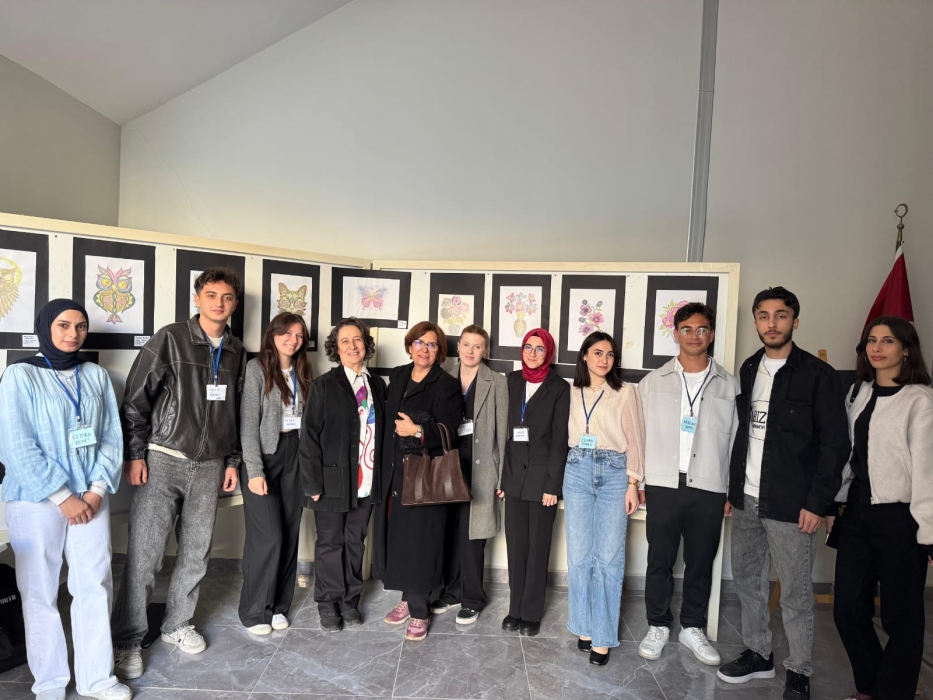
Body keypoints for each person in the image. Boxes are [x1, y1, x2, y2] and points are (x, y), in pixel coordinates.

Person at [111, 267, 246, 679]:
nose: (219, 303)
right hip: (163, 458)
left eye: (227, 297)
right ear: (197, 298)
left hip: (211, 465)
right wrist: (135, 454)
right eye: (212, 295)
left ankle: (176, 624)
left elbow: (238, 412)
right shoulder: (170, 338)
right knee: (145, 554)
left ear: (234, 303)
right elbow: (136, 400)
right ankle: (127, 640)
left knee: (195, 552)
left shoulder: (237, 351)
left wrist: (233, 461)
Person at [718, 286, 850, 700]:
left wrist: (818, 503)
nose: (771, 324)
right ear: (756, 321)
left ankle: (799, 670)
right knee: (749, 582)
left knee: (794, 592)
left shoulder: (818, 375)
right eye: (763, 316)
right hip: (747, 499)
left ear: (795, 320)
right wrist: (733, 489)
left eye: (780, 315)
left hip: (793, 504)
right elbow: (744, 435)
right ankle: (759, 653)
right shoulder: (749, 368)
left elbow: (835, 445)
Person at [0, 300, 131, 700]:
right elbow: (16, 445)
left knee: (95, 584)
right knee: (39, 591)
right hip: (36, 500)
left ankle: (97, 679)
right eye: (63, 325)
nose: (73, 334)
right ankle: (50, 682)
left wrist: (94, 491)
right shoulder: (20, 375)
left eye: (80, 326)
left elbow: (111, 437)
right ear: (45, 327)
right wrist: (63, 497)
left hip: (91, 495)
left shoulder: (95, 375)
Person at [828, 316, 933, 700]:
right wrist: (834, 500)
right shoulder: (859, 391)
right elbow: (850, 453)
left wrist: (929, 531)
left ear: (906, 349)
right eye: (872, 340)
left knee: (900, 618)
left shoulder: (920, 400)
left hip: (900, 517)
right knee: (847, 610)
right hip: (858, 510)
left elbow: (926, 470)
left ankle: (893, 692)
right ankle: (872, 687)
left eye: (888, 341)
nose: (877, 348)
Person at [636, 302, 739, 666]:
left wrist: (731, 489)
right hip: (663, 483)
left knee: (700, 561)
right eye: (687, 329)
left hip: (709, 486)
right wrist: (639, 480)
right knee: (659, 559)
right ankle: (657, 624)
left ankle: (692, 626)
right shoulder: (653, 382)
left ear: (711, 334)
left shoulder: (730, 385)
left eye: (702, 329)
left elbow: (736, 442)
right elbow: (638, 435)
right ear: (675, 334)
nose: (694, 336)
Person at [371, 321, 460, 641]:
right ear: (410, 346)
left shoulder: (446, 384)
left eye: (432, 344)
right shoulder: (397, 376)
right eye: (419, 343)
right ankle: (408, 598)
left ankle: (420, 611)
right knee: (400, 539)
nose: (425, 349)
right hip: (394, 471)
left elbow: (451, 429)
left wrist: (419, 431)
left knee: (422, 542)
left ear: (440, 352)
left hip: (424, 474)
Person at [563, 331, 645, 666]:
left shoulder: (625, 392)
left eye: (610, 355)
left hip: (614, 472)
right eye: (597, 353)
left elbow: (636, 439)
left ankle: (603, 635)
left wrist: (633, 482)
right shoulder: (570, 390)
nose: (604, 360)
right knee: (579, 554)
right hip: (576, 469)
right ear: (584, 355)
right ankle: (584, 626)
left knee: (608, 557)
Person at [300, 317, 386, 632]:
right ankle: (328, 603)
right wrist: (312, 483)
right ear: (336, 349)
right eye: (345, 341)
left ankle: (350, 601)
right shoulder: (324, 385)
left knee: (355, 542)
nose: (352, 346)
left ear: (366, 344)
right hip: (331, 481)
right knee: (329, 543)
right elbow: (309, 437)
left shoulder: (378, 385)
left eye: (357, 339)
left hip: (367, 479)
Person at [238, 312, 312, 635]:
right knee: (268, 536)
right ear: (273, 334)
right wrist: (254, 470)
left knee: (290, 531)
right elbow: (247, 424)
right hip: (264, 456)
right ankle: (255, 611)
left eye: (299, 335)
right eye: (287, 333)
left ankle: (279, 606)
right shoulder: (256, 369)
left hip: (295, 452)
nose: (293, 340)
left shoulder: (303, 370)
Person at [431, 325, 508, 625]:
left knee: (473, 536)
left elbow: (503, 432)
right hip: (449, 463)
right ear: (458, 346)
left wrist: (501, 478)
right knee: (450, 531)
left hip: (482, 467)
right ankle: (451, 592)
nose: (470, 351)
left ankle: (473, 598)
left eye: (477, 346)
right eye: (466, 344)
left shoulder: (496, 382)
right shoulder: (444, 376)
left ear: (485, 351)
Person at [499, 328, 570, 637]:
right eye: (528, 347)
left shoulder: (559, 388)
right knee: (516, 547)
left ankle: (530, 612)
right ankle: (514, 608)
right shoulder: (512, 381)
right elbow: (503, 433)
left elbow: (560, 440)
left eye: (540, 349)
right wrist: (502, 479)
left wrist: (553, 486)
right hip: (513, 479)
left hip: (543, 483)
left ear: (549, 353)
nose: (532, 353)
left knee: (538, 548)